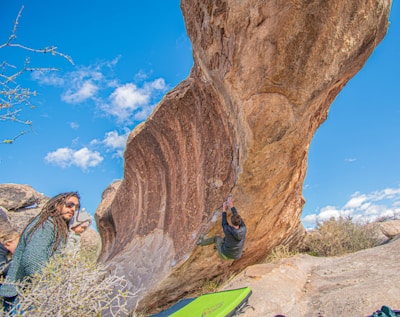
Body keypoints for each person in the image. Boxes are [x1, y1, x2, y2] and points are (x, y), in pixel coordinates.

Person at [0, 191, 80, 313]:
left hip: (28, 294)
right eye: (69, 205)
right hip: (23, 295)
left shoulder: (56, 226)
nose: (73, 209)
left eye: (76, 207)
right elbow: (33, 258)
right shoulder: (47, 224)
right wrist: (46, 288)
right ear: (57, 205)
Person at [197, 195, 246, 260]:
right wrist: (231, 205)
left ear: (231, 223)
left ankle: (200, 242)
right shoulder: (243, 228)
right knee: (227, 238)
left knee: (217, 238)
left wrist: (224, 209)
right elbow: (236, 216)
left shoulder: (229, 230)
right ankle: (217, 246)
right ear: (240, 222)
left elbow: (224, 223)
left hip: (224, 255)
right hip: (236, 256)